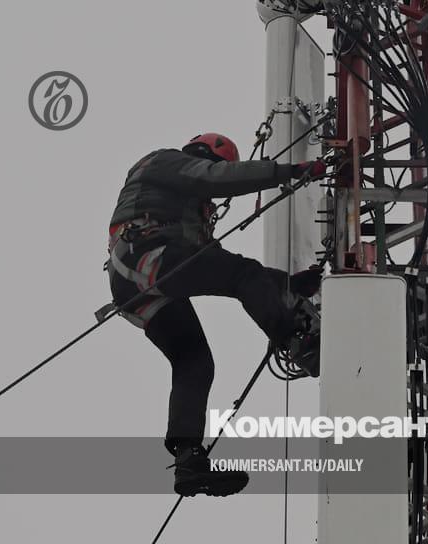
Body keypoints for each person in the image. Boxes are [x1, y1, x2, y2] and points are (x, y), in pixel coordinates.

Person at [106, 133, 324, 497]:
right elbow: (214, 180)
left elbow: (224, 268)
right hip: (148, 254)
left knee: (194, 362)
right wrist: (289, 171)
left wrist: (288, 283)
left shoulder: (183, 213)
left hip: (135, 280)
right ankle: (296, 340)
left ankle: (188, 459)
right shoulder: (165, 161)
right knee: (242, 276)